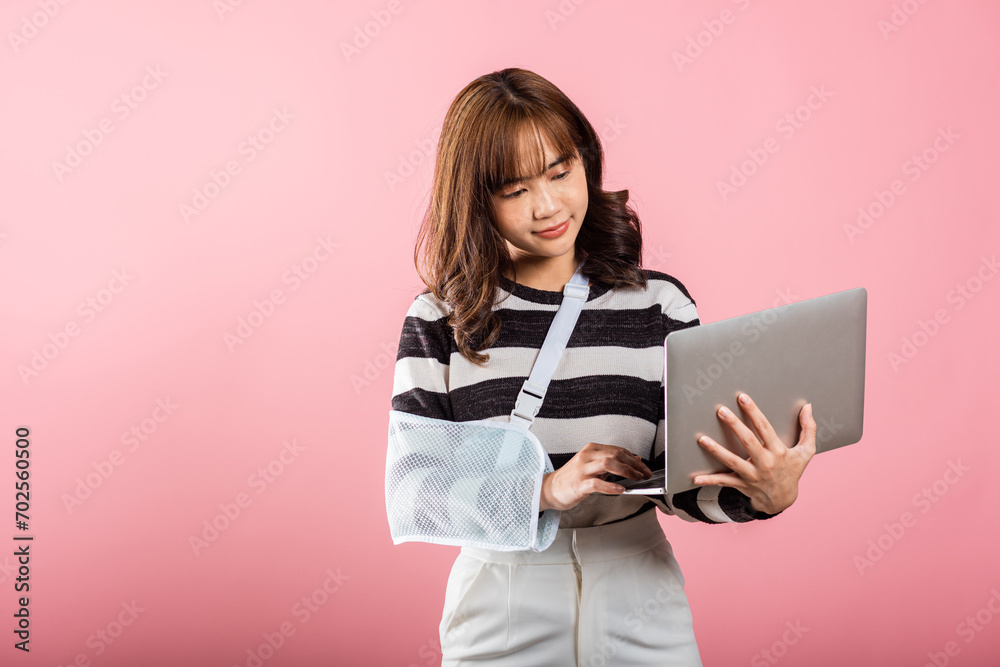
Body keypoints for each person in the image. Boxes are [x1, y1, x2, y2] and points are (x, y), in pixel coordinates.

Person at [389, 67, 817, 666]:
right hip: (500, 606)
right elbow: (416, 491)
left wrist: (761, 494)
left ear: (586, 160)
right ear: (475, 198)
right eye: (514, 190)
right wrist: (542, 490)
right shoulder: (439, 319)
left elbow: (681, 478)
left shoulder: (658, 305)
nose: (547, 205)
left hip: (640, 592)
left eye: (561, 172)